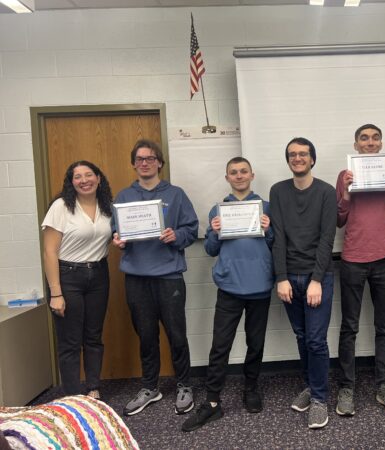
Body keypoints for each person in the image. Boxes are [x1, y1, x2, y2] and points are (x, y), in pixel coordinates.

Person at [182, 157, 274, 432]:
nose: (239, 175)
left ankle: (251, 389)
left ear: (252, 175)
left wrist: (268, 230)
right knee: (220, 345)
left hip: (260, 287)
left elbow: (274, 244)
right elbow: (210, 249)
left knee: (255, 344)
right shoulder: (217, 210)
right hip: (230, 287)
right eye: (233, 172)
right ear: (227, 177)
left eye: (243, 171)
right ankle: (212, 401)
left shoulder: (266, 207)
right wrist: (216, 232)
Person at [113, 139, 199, 416]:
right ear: (134, 164)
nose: (145, 163)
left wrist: (178, 236)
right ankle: (151, 387)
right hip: (137, 278)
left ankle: (185, 384)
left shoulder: (176, 194)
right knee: (146, 335)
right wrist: (119, 240)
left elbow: (191, 228)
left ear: (160, 162)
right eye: (139, 159)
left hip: (169, 276)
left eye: (150, 158)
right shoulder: (124, 196)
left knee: (176, 334)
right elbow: (116, 230)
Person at [336, 124, 385, 417]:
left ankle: (383, 387)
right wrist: (345, 193)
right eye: (364, 138)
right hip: (353, 259)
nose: (370, 142)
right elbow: (339, 220)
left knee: (384, 327)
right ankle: (346, 388)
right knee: (349, 327)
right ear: (355, 145)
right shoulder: (346, 174)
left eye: (375, 138)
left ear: (381, 144)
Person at [269, 137, 337, 429]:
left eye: (303, 154)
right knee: (300, 335)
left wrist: (316, 279)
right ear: (288, 160)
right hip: (289, 278)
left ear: (312, 159)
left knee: (316, 340)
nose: (297, 158)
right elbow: (279, 236)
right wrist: (281, 277)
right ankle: (310, 385)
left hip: (317, 277)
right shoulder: (278, 191)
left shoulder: (326, 191)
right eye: (292, 154)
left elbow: (327, 238)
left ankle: (320, 398)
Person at [42, 160, 113, 399]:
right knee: (70, 341)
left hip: (99, 276)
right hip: (67, 277)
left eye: (89, 174)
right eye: (77, 177)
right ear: (71, 182)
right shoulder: (61, 206)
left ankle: (93, 389)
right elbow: (49, 251)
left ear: (98, 178)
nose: (84, 180)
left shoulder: (107, 207)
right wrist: (56, 293)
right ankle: (72, 396)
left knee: (94, 336)